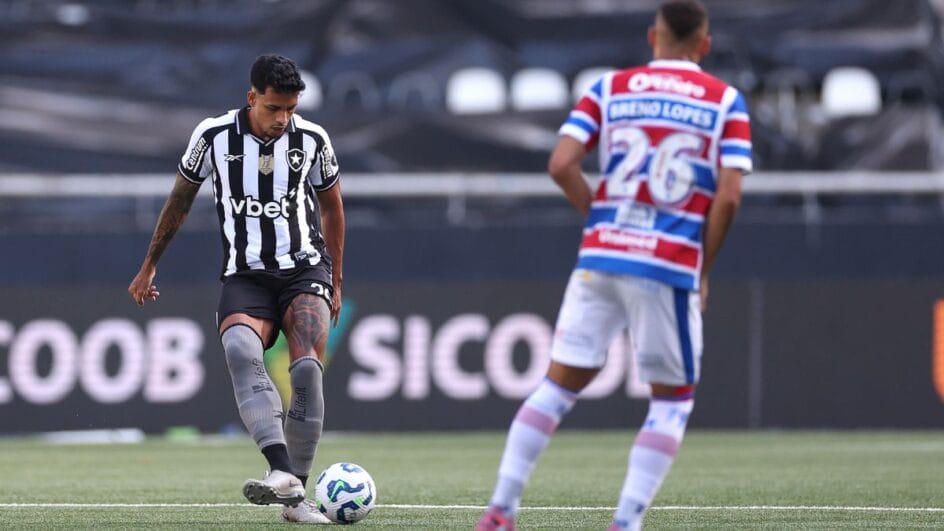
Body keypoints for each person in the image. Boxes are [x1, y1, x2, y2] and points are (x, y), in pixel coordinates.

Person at [476, 1, 751, 530]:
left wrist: (600, 217)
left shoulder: (609, 88)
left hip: (602, 254)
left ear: (654, 37)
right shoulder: (726, 103)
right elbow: (731, 198)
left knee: (556, 387)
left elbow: (561, 163)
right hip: (666, 263)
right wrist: (702, 269)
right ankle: (624, 523)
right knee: (672, 400)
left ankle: (501, 511)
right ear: (706, 44)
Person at [128, 54, 345, 524]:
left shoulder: (312, 140)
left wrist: (336, 280)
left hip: (304, 270)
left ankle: (295, 496)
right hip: (245, 274)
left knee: (306, 371)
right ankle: (283, 476)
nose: (282, 120)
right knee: (240, 350)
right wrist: (149, 266)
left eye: (290, 109)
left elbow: (331, 208)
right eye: (273, 109)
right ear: (252, 98)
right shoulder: (212, 137)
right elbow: (180, 200)